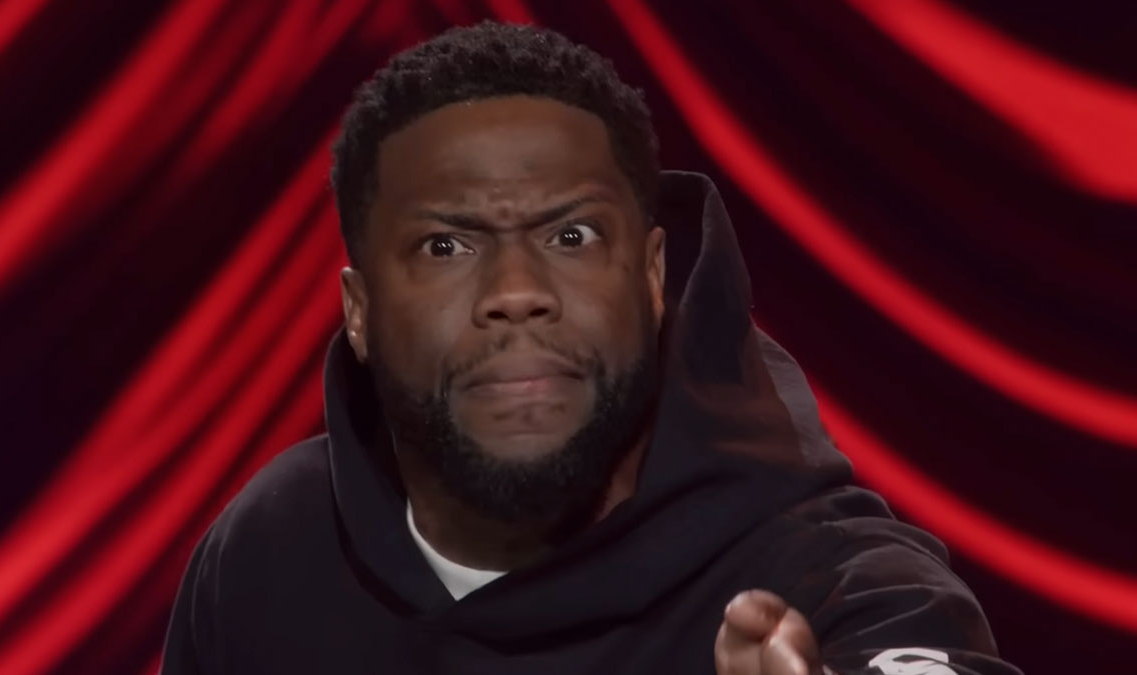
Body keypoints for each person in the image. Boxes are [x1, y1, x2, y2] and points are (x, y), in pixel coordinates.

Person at [162, 21, 1021, 675]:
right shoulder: (270, 552)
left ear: (652, 275)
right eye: (445, 245)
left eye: (570, 235)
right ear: (359, 312)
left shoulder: (829, 582)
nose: (515, 291)